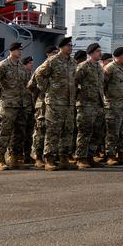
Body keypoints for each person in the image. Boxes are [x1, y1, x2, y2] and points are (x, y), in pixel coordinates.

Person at [37, 37, 76, 171]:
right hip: (55, 103)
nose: (71, 48)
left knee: (68, 131)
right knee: (53, 131)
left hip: (69, 103)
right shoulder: (52, 60)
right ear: (62, 47)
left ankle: (64, 158)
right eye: (69, 46)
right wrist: (47, 89)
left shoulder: (72, 62)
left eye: (72, 45)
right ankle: (49, 159)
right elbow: (39, 75)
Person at [0, 42, 29, 171]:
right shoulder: (3, 66)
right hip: (8, 105)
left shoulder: (22, 67)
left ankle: (15, 158)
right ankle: (1, 159)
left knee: (19, 133)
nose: (20, 52)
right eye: (17, 50)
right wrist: (3, 95)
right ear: (11, 51)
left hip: (21, 105)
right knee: (5, 132)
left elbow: (25, 84)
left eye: (21, 50)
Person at [74, 43, 105, 169]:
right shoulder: (83, 67)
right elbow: (74, 82)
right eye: (97, 51)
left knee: (97, 132)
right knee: (85, 132)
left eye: (100, 50)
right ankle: (81, 158)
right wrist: (79, 97)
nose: (100, 53)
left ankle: (90, 156)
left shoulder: (99, 67)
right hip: (85, 104)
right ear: (91, 53)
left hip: (98, 104)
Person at [28, 45, 59, 168]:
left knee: (52, 131)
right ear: (48, 54)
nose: (56, 55)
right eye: (53, 52)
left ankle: (51, 156)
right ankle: (38, 157)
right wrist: (43, 91)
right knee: (41, 131)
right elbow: (31, 85)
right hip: (42, 104)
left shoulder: (58, 67)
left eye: (57, 52)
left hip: (54, 104)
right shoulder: (43, 68)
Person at [103, 47, 123, 166]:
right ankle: (110, 155)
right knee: (112, 132)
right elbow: (102, 85)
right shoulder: (109, 68)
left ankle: (121, 154)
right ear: (118, 56)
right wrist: (108, 99)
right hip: (113, 105)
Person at [21, 55, 36, 165]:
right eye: (30, 63)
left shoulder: (32, 75)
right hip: (22, 107)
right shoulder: (21, 74)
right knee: (21, 133)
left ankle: (27, 155)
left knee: (29, 133)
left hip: (31, 107)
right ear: (25, 64)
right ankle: (19, 155)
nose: (32, 64)